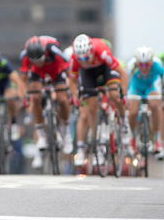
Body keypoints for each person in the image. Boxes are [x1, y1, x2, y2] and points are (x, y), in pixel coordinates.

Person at [69, 34, 129, 166]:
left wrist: (123, 94)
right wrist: (75, 96)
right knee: (90, 106)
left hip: (105, 69)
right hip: (88, 74)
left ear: (91, 52)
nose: (84, 61)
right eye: (81, 59)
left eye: (86, 57)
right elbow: (72, 81)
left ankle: (124, 120)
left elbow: (122, 73)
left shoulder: (102, 52)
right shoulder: (74, 60)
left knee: (114, 95)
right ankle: (97, 143)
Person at [19, 36, 73, 167]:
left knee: (62, 99)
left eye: (41, 60)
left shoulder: (54, 50)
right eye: (35, 61)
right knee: (35, 97)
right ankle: (41, 134)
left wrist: (71, 92)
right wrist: (25, 98)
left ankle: (66, 132)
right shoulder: (25, 55)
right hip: (37, 74)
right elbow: (23, 80)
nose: (39, 63)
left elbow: (71, 75)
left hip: (56, 70)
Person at [126, 46, 164, 158]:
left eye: (147, 64)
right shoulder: (131, 66)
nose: (144, 68)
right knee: (132, 112)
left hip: (151, 87)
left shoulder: (157, 65)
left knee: (155, 106)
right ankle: (132, 138)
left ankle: (157, 139)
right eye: (141, 65)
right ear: (137, 63)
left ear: (151, 62)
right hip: (135, 87)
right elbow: (127, 82)